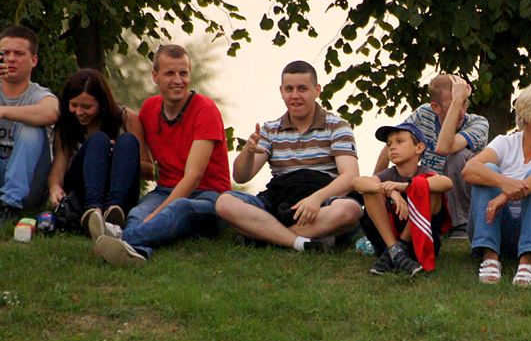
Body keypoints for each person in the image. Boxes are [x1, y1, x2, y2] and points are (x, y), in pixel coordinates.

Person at [93, 44, 231, 266]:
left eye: (183, 73)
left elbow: (193, 177)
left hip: (209, 196)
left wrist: (159, 211)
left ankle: (116, 239)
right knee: (138, 212)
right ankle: (136, 253)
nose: (178, 80)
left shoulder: (205, 110)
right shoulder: (149, 108)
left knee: (178, 209)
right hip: (165, 189)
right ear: (155, 76)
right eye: (170, 73)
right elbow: (144, 162)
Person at [215, 60, 362, 251]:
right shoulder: (270, 129)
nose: (295, 96)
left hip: (322, 199)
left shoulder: (337, 126)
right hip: (280, 198)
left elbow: (350, 177)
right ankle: (300, 242)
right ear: (281, 91)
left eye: (302, 89)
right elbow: (241, 177)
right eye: (289, 89)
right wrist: (248, 152)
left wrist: (316, 199)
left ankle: (265, 235)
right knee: (224, 203)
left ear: (317, 90)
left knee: (349, 210)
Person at [462, 84, 531, 287]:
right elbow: (469, 170)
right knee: (487, 171)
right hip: (502, 229)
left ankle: (528, 261)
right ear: (530, 114)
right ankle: (490, 257)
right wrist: (503, 182)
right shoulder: (505, 142)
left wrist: (506, 194)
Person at [374, 74, 488, 239]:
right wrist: (377, 184)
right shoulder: (424, 114)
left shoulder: (478, 123)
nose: (462, 112)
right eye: (455, 104)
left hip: (460, 194)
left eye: (464, 103)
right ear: (435, 107)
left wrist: (456, 102)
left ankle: (462, 224)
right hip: (428, 193)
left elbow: (444, 148)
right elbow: (392, 143)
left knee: (458, 155)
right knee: (400, 147)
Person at [47, 69, 154, 237]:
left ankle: (113, 213)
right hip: (82, 190)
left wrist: (118, 156)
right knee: (98, 140)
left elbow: (149, 170)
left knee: (127, 141)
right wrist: (54, 187)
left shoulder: (126, 118)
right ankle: (93, 211)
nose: (79, 112)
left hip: (119, 189)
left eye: (87, 107)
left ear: (102, 104)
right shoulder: (66, 125)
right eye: (74, 105)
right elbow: (58, 168)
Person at [352, 123, 452, 277]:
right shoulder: (387, 175)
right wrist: (391, 192)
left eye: (399, 141)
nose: (392, 147)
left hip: (418, 241)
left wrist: (404, 186)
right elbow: (357, 183)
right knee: (370, 190)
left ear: (418, 148)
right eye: (389, 144)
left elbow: (446, 183)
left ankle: (399, 248)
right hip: (386, 240)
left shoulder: (424, 172)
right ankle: (395, 250)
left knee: (427, 187)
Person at [0, 26, 59, 224]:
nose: (10, 59)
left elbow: (51, 112)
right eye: (5, 53)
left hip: (29, 186)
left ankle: (9, 207)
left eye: (18, 53)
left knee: (31, 126)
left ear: (33, 60)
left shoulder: (38, 94)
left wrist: (5, 111)